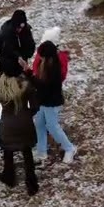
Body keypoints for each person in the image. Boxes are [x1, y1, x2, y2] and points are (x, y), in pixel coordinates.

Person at [0, 74, 40, 196]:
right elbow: (36, 106)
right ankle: (32, 184)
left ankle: (9, 177)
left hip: (8, 126)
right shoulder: (26, 86)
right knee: (27, 152)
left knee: (7, 151)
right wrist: (26, 115)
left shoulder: (0, 87)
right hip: (25, 124)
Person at [29, 33, 76, 164]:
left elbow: (41, 85)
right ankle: (41, 151)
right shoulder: (46, 65)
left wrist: (27, 73)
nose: (40, 58)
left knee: (52, 126)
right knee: (39, 124)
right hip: (43, 101)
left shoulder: (54, 69)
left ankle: (70, 148)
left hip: (51, 103)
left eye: (41, 56)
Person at [0, 10, 36, 77]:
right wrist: (7, 61)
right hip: (7, 72)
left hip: (23, 69)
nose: (20, 30)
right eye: (18, 27)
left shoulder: (26, 30)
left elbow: (32, 45)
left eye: (22, 27)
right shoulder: (3, 34)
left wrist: (27, 55)